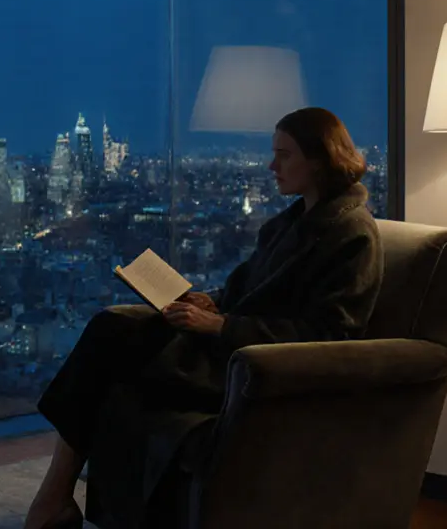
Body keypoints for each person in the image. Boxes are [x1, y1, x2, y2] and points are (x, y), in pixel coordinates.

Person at [23, 107, 385, 529]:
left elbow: (330, 335)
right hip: (229, 342)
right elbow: (249, 290)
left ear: (320, 159)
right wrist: (208, 302)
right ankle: (56, 497)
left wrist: (220, 326)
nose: (271, 166)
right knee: (113, 326)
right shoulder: (294, 223)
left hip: (251, 368)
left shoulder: (352, 236)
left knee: (112, 345)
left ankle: (52, 499)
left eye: (284, 155)